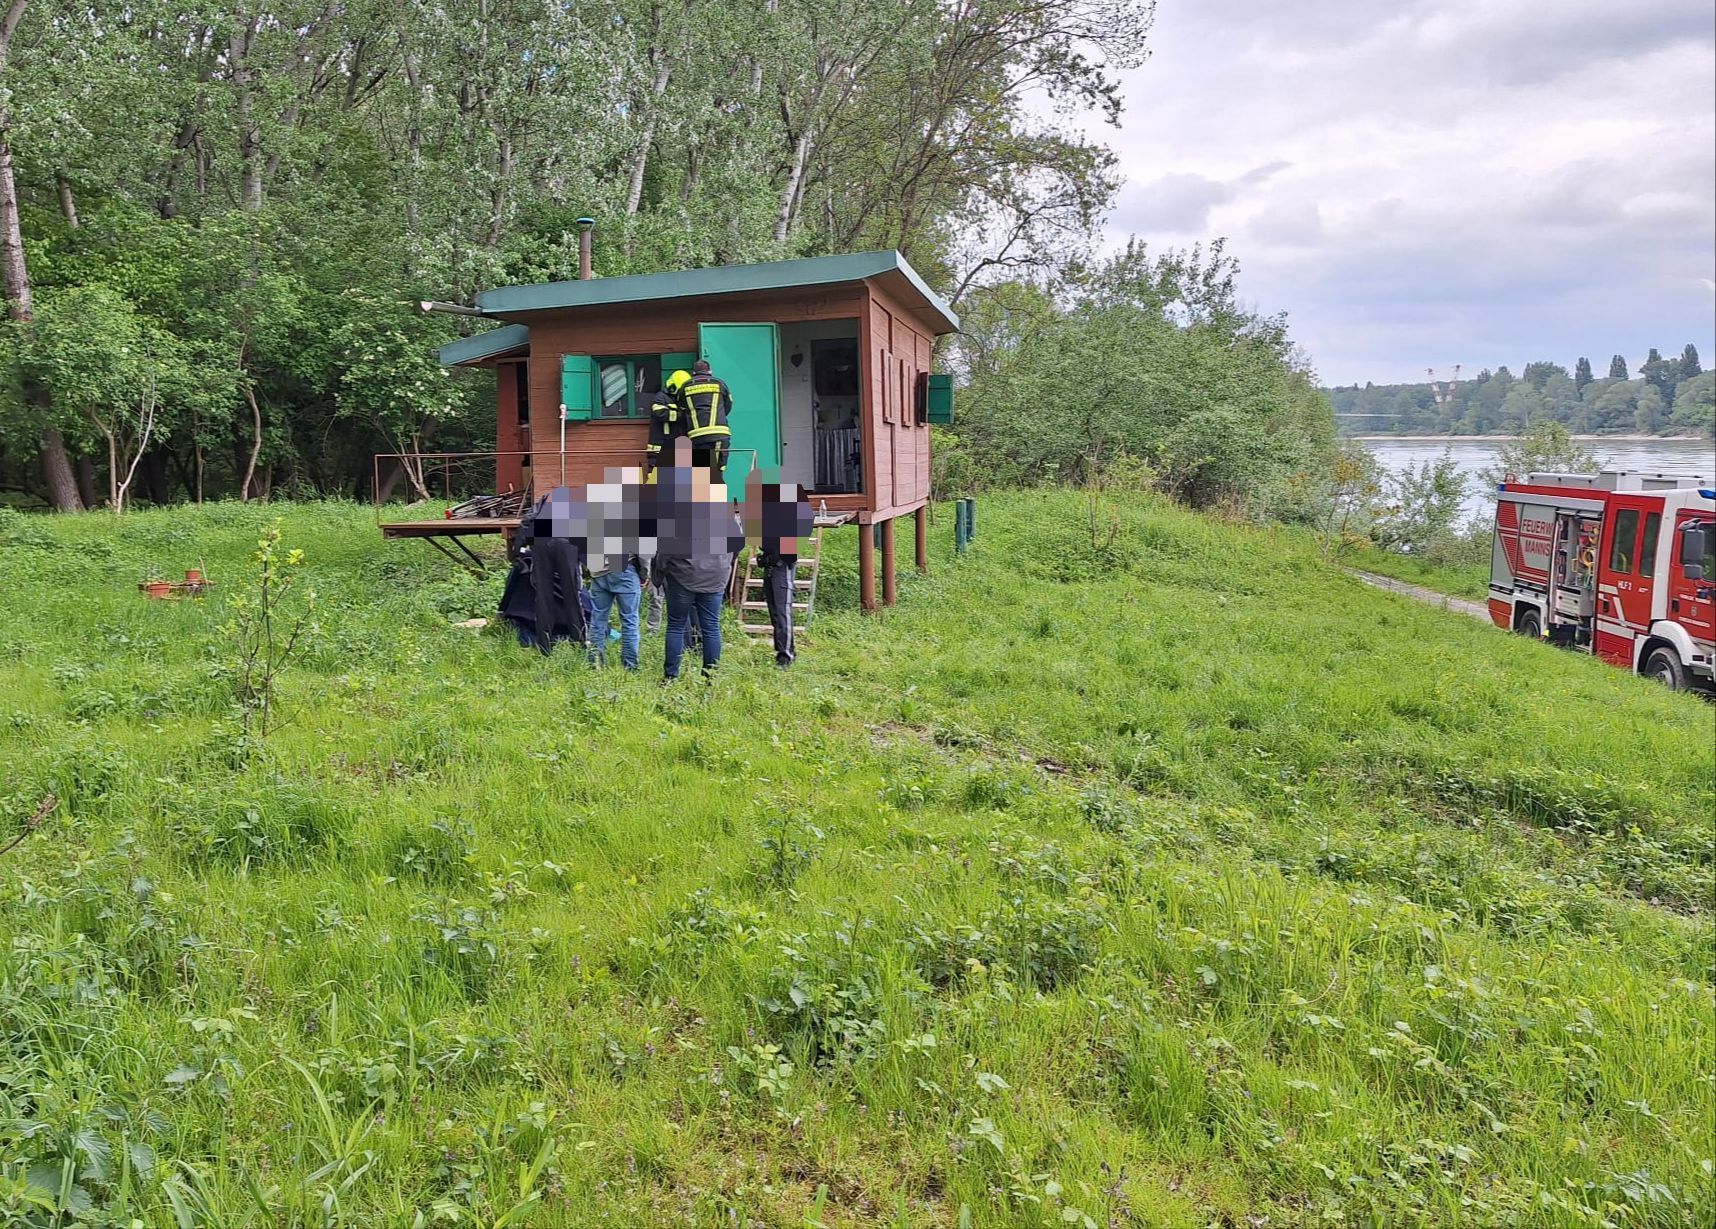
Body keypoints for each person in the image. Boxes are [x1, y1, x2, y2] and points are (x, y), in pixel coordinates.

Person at [657, 440, 742, 680]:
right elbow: (737, 543)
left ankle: (670, 677)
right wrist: (725, 563)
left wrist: (659, 574)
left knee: (675, 625)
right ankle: (710, 678)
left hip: (682, 575)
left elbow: (665, 548)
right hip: (716, 575)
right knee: (711, 627)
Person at [744, 474, 815, 668]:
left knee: (783, 612)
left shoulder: (787, 512)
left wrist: (777, 557)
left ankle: (786, 656)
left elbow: (790, 550)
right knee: (775, 612)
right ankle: (784, 650)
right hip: (771, 564)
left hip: (782, 566)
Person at [521, 485, 585, 655]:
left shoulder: (542, 502)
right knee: (572, 594)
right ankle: (579, 642)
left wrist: (522, 548)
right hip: (567, 542)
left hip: (541, 542)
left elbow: (526, 521)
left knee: (543, 596)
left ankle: (545, 646)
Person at [675, 359, 733, 483]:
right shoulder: (719, 384)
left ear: (693, 372)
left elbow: (682, 408)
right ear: (710, 371)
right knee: (718, 470)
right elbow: (728, 405)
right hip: (719, 434)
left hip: (697, 436)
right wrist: (720, 416)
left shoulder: (685, 387)